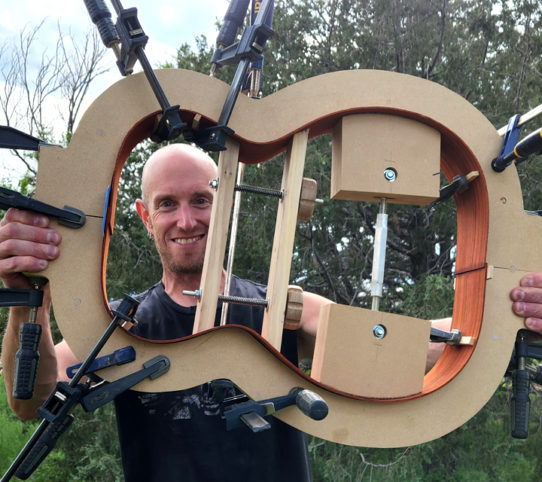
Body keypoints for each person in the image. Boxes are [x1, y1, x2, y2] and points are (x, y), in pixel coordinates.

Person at [0, 143, 526, 480]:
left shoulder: (279, 308)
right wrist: (28, 299)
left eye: (201, 200)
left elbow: (415, 341)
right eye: (167, 204)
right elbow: (31, 401)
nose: (186, 220)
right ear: (143, 215)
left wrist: (509, 314)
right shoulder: (122, 324)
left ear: (225, 201)